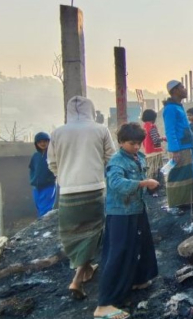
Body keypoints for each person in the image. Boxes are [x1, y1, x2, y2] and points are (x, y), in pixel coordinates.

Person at [48, 96, 116, 300]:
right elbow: (111, 157)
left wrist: (64, 177)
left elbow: (52, 163)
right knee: (93, 233)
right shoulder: (100, 130)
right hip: (94, 189)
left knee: (73, 233)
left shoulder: (57, 133)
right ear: (92, 110)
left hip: (67, 191)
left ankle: (85, 270)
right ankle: (77, 279)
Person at [93, 123, 159, 319]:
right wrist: (142, 183)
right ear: (121, 142)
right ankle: (104, 304)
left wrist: (150, 184)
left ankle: (138, 279)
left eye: (139, 143)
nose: (136, 147)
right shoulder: (116, 162)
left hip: (136, 210)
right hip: (120, 214)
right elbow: (116, 184)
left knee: (140, 245)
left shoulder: (137, 157)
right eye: (132, 143)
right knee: (118, 253)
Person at [162, 80, 193, 208]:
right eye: (182, 87)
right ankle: (177, 203)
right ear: (175, 91)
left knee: (186, 173)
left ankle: (187, 201)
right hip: (179, 148)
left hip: (185, 147)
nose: (185, 89)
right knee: (177, 175)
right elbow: (170, 131)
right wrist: (175, 150)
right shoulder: (170, 109)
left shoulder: (178, 106)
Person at [29, 132, 56, 217]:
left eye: (45, 141)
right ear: (36, 144)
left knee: (45, 211)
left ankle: (44, 229)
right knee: (39, 209)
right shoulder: (35, 156)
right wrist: (33, 180)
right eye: (40, 142)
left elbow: (56, 168)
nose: (43, 144)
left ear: (49, 142)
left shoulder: (52, 155)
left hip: (48, 186)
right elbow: (32, 169)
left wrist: (51, 179)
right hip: (36, 187)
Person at [141, 109, 164, 183]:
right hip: (155, 153)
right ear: (153, 118)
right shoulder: (152, 127)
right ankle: (156, 187)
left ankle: (150, 187)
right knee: (157, 171)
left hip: (148, 152)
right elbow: (155, 140)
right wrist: (163, 138)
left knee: (150, 171)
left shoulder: (144, 127)